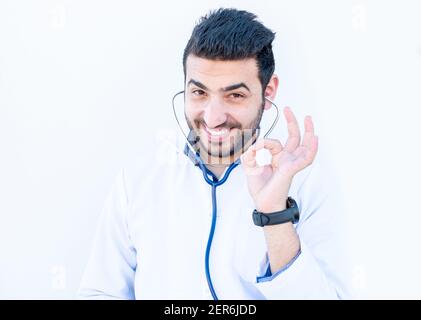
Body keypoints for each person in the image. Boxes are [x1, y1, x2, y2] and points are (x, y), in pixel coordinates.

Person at [78, 8, 351, 300]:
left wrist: (274, 214)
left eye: (235, 95)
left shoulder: (306, 183)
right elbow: (100, 292)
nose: (213, 117)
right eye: (199, 93)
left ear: (268, 91)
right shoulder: (138, 180)